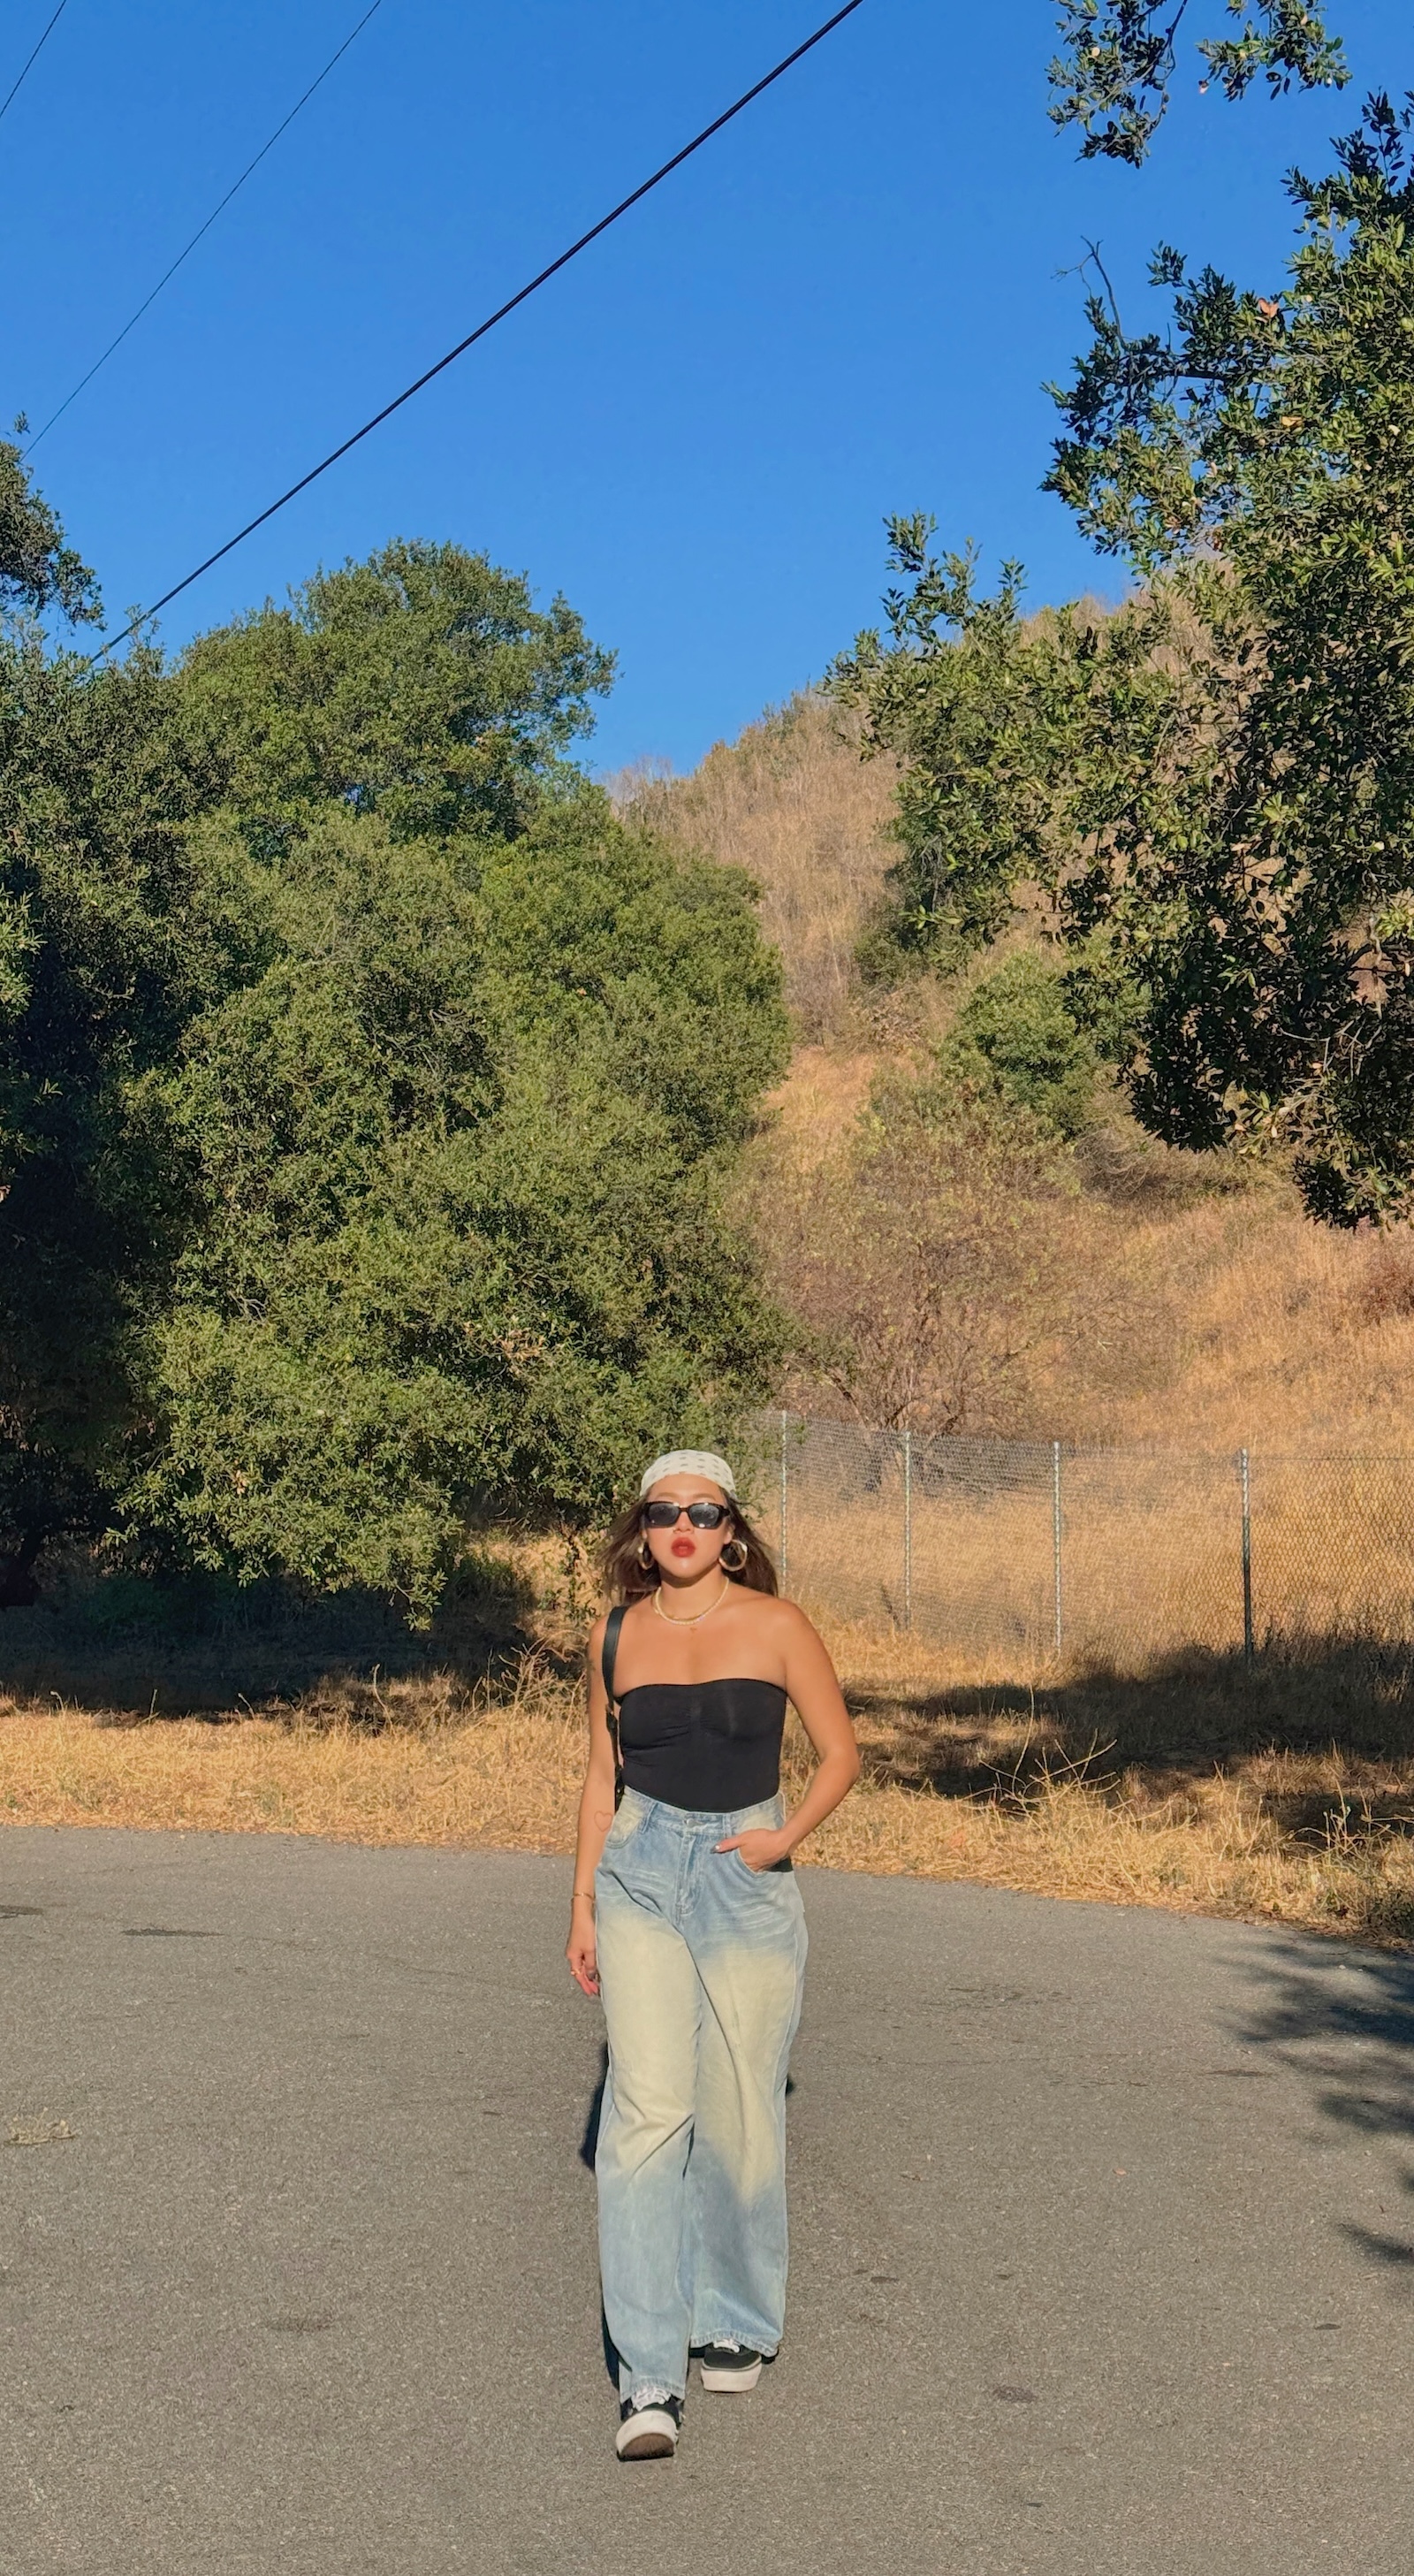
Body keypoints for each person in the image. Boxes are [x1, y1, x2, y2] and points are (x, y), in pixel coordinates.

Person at [567, 1446, 860, 2462]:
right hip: (639, 1870)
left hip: (746, 1871)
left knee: (740, 2102)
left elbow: (840, 1755)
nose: (682, 1527)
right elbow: (599, 1779)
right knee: (646, 2112)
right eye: (662, 1512)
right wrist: (581, 1906)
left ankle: (732, 2312)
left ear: (731, 1530)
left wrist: (784, 1837)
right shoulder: (615, 1635)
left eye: (702, 1511)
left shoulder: (776, 1625)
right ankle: (648, 2376)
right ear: (641, 1533)